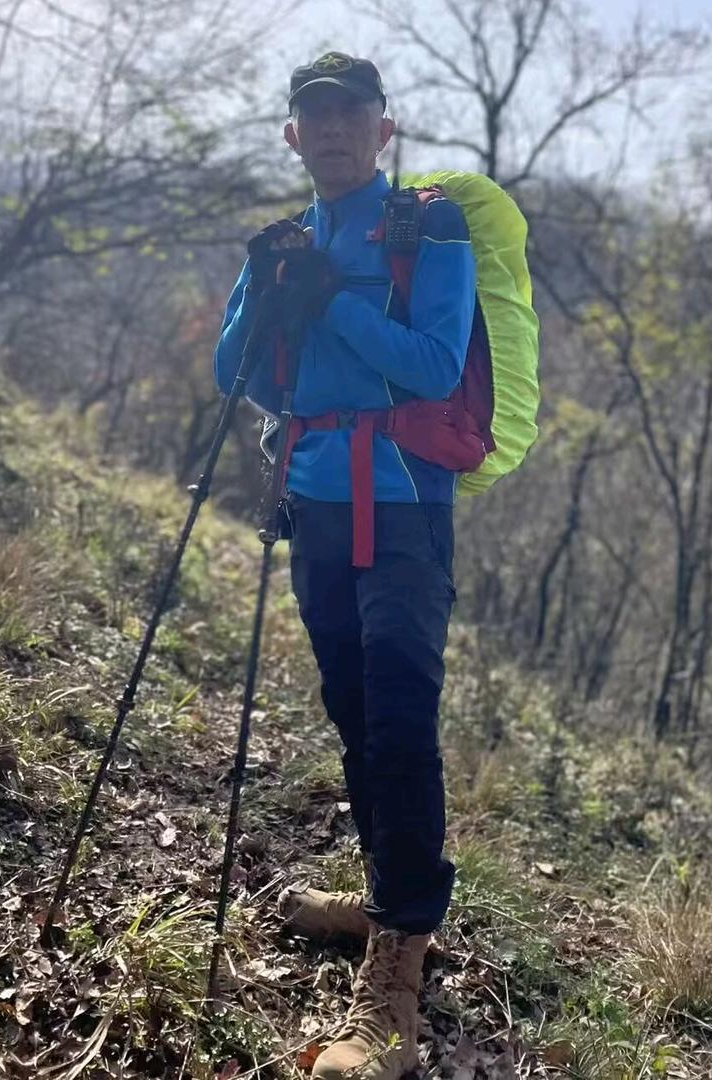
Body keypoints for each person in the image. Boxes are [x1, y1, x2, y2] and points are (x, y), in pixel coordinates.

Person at [213, 51, 476, 1080]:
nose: (331, 129)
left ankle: (399, 968)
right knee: (354, 709)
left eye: (349, 113)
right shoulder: (285, 240)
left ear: (383, 127)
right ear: (291, 135)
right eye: (313, 115)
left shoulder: (426, 227)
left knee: (403, 711)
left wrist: (333, 306)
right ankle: (385, 897)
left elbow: (433, 365)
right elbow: (235, 371)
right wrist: (263, 290)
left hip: (406, 497)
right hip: (312, 495)